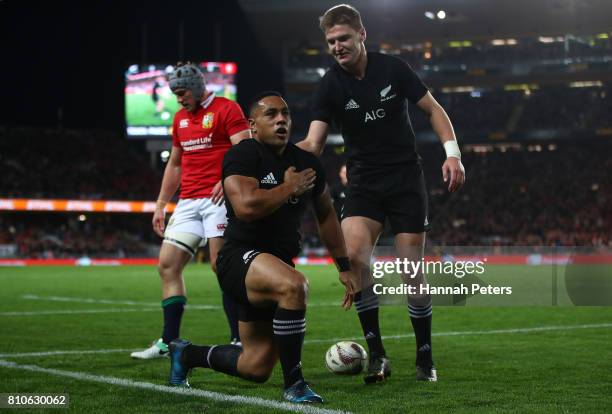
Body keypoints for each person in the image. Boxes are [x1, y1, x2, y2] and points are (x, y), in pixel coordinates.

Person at [298, 4, 466, 383]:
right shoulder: (329, 85)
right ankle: (378, 357)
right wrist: (271, 155)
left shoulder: (394, 68)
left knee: (412, 274)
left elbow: (434, 110)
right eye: (331, 42)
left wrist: (452, 155)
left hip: (406, 180)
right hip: (364, 183)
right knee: (355, 260)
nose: (337, 46)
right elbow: (314, 142)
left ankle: (425, 359)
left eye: (343, 38)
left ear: (362, 35)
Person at [167, 92, 354, 404]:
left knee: (256, 366)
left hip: (271, 264)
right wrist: (288, 188)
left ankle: (186, 354)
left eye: (286, 114)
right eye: (271, 114)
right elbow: (246, 207)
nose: (281, 119)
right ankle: (295, 385)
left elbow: (327, 216)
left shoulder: (307, 163)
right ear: (253, 125)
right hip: (237, 259)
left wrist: (344, 266)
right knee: (295, 286)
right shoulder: (242, 155)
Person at [131, 62, 250, 359]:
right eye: (176, 94)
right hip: (188, 201)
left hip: (218, 200)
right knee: (168, 265)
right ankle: (168, 343)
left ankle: (239, 339)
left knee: (220, 267)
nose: (179, 99)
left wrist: (229, 180)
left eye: (182, 92)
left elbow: (246, 151)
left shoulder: (227, 109)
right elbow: (174, 163)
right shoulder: (180, 119)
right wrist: (161, 204)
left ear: (196, 88)